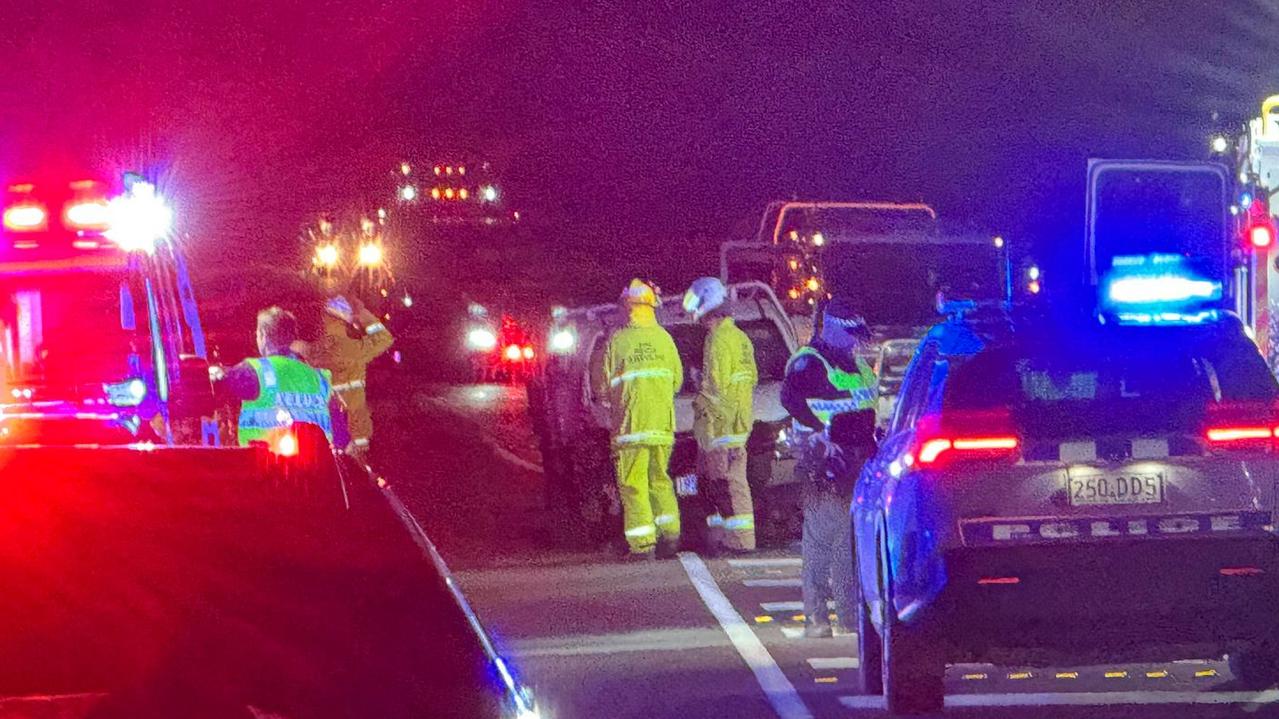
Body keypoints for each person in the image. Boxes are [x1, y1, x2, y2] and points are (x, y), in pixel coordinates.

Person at [781, 297, 878, 638]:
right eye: (851, 335)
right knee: (822, 542)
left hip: (860, 458)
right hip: (824, 460)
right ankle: (818, 619)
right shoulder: (809, 363)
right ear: (832, 328)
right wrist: (821, 440)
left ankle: (850, 620)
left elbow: (865, 410)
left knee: (849, 543)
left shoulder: (859, 366)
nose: (856, 342)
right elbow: (791, 401)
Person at [593, 279, 684, 560]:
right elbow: (677, 381)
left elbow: (602, 388)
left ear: (628, 307)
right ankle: (670, 535)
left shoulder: (617, 341)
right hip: (662, 427)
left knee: (634, 485)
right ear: (651, 306)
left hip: (630, 428)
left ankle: (643, 544)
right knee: (660, 480)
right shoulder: (665, 339)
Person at [682, 277, 758, 554]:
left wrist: (699, 405)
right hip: (739, 423)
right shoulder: (740, 337)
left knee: (723, 485)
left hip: (719, 427)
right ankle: (737, 538)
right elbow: (750, 379)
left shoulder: (716, 340)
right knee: (736, 484)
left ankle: (735, 541)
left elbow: (714, 387)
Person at [212, 306, 338, 449]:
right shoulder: (320, 378)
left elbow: (215, 388)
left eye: (257, 335)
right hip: (318, 467)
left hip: (267, 464)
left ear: (263, 335)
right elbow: (340, 427)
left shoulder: (255, 371)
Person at [300, 295, 394, 461]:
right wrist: (362, 313)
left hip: (324, 433)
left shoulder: (313, 351)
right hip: (355, 435)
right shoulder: (355, 349)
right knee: (358, 481)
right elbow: (384, 338)